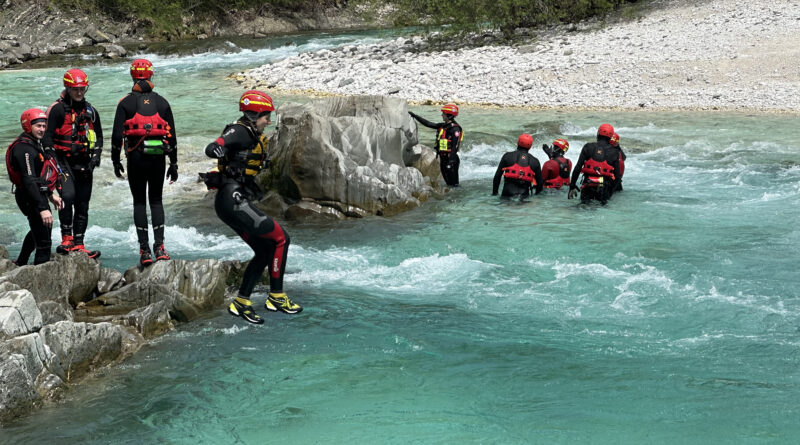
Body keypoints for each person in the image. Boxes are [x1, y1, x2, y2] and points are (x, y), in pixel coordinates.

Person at [203, 90, 302, 324]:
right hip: (232, 200)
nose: (268, 121)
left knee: (265, 250)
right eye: (266, 116)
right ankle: (277, 296)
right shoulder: (239, 131)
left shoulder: (250, 133)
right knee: (281, 239)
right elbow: (216, 145)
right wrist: (214, 148)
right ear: (254, 114)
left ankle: (241, 302)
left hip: (231, 201)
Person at [111, 58, 178, 267]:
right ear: (151, 76)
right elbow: (172, 137)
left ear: (132, 76)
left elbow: (116, 137)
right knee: (156, 201)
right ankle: (160, 247)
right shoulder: (163, 102)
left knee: (139, 202)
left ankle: (145, 251)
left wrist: (115, 161)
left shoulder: (125, 103)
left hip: (136, 159)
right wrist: (174, 164)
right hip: (158, 158)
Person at [43, 68, 102, 258]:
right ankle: (66, 238)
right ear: (67, 88)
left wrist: (95, 158)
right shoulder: (57, 109)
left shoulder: (91, 111)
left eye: (82, 89)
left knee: (83, 203)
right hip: (62, 161)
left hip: (84, 162)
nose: (79, 92)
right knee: (67, 196)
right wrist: (52, 160)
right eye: (75, 89)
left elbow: (99, 137)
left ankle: (79, 242)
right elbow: (47, 138)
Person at [5, 109, 63, 265]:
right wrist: (43, 207)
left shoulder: (31, 143)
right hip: (29, 196)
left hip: (35, 195)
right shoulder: (24, 149)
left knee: (38, 230)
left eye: (44, 126)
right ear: (27, 126)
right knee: (44, 243)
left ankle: (21, 262)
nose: (42, 129)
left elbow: (38, 178)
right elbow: (29, 180)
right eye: (38, 126)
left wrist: (50, 195)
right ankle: (40, 282)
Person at [408, 104, 463, 187]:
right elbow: (428, 124)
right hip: (443, 159)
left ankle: (457, 198)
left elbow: (454, 147)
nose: (442, 115)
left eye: (443, 114)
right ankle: (449, 198)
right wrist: (415, 116)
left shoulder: (455, 129)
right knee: (448, 184)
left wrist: (450, 162)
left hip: (452, 160)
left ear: (449, 116)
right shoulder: (443, 126)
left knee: (454, 185)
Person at [568, 123, 621, 205]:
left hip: (587, 186)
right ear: (611, 137)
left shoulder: (588, 147)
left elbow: (578, 167)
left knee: (584, 207)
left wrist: (572, 185)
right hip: (604, 189)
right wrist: (610, 192)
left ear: (598, 133)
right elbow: (617, 176)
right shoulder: (615, 152)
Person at [492, 133, 543, 199]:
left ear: (518, 142)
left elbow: (497, 177)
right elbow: (540, 184)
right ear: (530, 146)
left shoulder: (507, 156)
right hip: (524, 197)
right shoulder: (535, 161)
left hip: (507, 195)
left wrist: (494, 193)